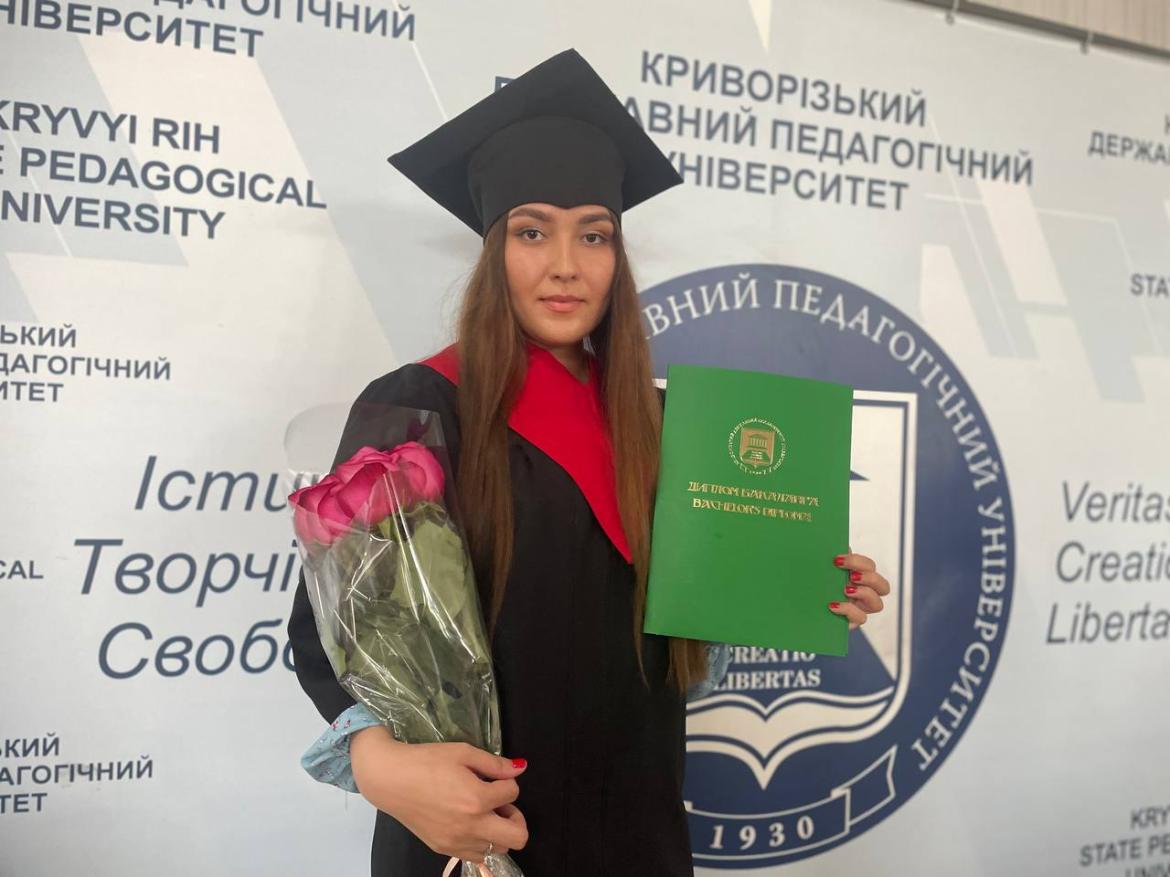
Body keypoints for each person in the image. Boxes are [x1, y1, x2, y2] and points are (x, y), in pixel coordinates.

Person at [286, 48, 890, 876]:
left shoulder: (668, 425)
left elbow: (682, 613)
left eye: (594, 235)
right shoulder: (420, 409)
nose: (566, 264)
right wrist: (378, 765)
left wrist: (806, 587)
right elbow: (330, 634)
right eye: (532, 231)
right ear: (494, 249)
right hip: (476, 837)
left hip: (636, 834)